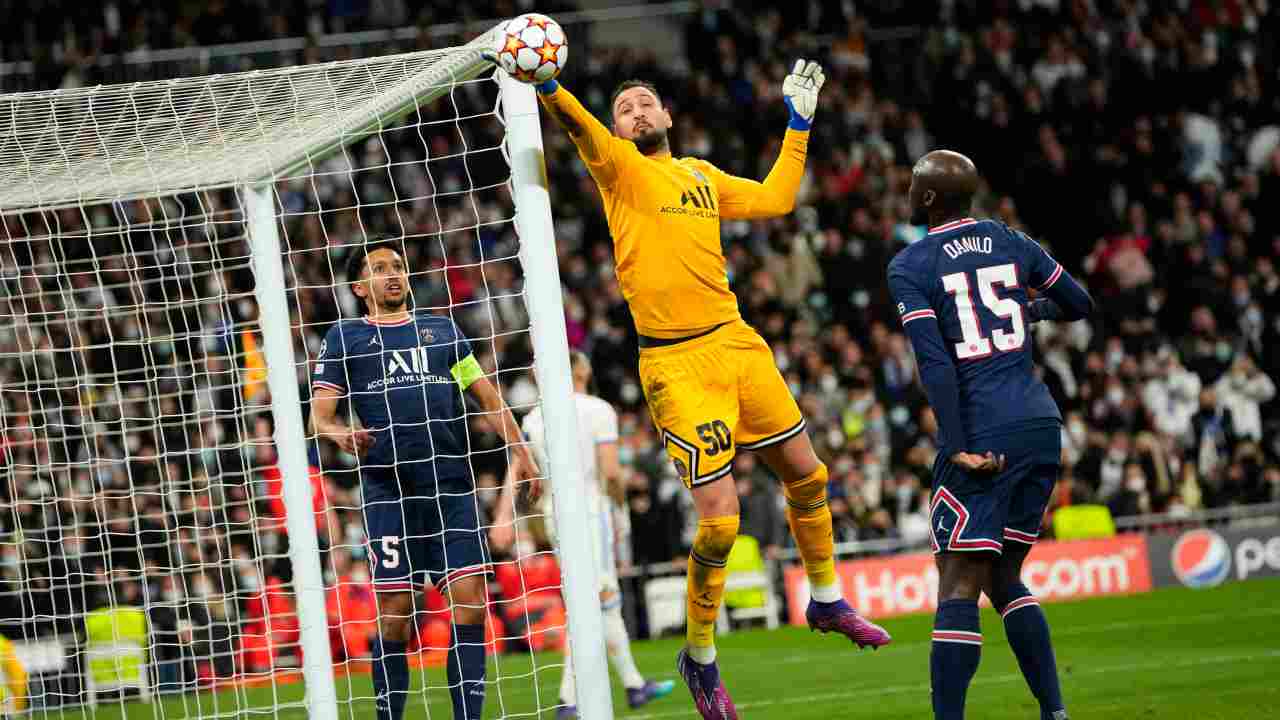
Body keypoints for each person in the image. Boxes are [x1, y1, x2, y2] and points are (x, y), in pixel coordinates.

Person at [486, 54, 890, 720]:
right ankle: (699, 659)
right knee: (723, 521)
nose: (638, 111)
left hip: (736, 344)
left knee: (809, 476)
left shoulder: (700, 175)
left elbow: (776, 198)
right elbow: (585, 132)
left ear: (669, 116)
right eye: (626, 108)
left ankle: (825, 597)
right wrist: (551, 86)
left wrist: (799, 122)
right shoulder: (619, 169)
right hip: (676, 366)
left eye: (647, 102)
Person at [887, 150, 1094, 720]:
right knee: (1005, 575)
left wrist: (957, 444)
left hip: (984, 431)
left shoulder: (912, 264)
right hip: (1040, 425)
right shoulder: (1012, 241)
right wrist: (1029, 311)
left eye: (913, 185)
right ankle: (1055, 712)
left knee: (957, 582)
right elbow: (1079, 302)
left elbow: (935, 366)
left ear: (928, 198)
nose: (907, 191)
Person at [310, 241, 539, 720]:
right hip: (389, 493)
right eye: (379, 268)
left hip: (452, 489)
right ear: (359, 287)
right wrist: (339, 433)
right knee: (394, 613)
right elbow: (321, 417)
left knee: (472, 602)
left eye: (397, 266)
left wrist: (522, 451)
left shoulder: (442, 331)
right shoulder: (345, 338)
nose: (393, 274)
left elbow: (485, 395)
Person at [490, 352, 674, 718]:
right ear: (582, 370)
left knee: (595, 602)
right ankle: (574, 698)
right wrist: (621, 503)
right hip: (591, 514)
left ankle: (631, 685)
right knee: (598, 601)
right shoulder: (599, 410)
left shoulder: (534, 418)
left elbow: (518, 470)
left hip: (555, 517)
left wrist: (502, 515)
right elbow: (609, 471)